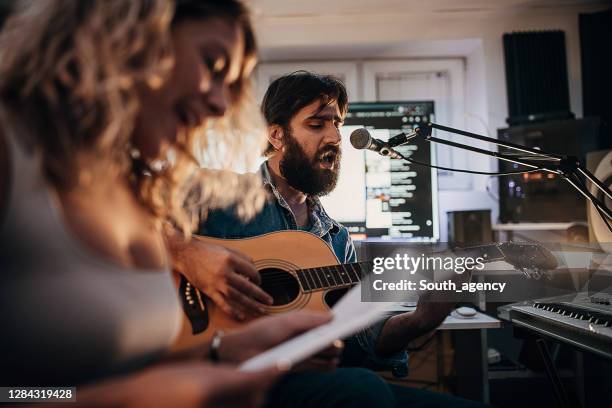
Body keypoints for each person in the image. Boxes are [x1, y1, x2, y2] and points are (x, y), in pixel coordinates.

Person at [0, 2, 342, 407]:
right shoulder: (11, 149)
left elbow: (125, 369)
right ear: (128, 36)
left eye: (229, 84)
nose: (220, 105)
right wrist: (123, 399)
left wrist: (218, 353)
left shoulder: (136, 188)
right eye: (213, 65)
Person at [171, 71, 489, 407]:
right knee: (364, 389)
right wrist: (186, 253)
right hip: (210, 375)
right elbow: (118, 215)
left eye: (337, 123)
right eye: (317, 124)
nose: (336, 136)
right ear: (277, 135)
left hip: (298, 381)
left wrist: (419, 321)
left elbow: (357, 345)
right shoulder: (219, 193)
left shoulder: (335, 239)